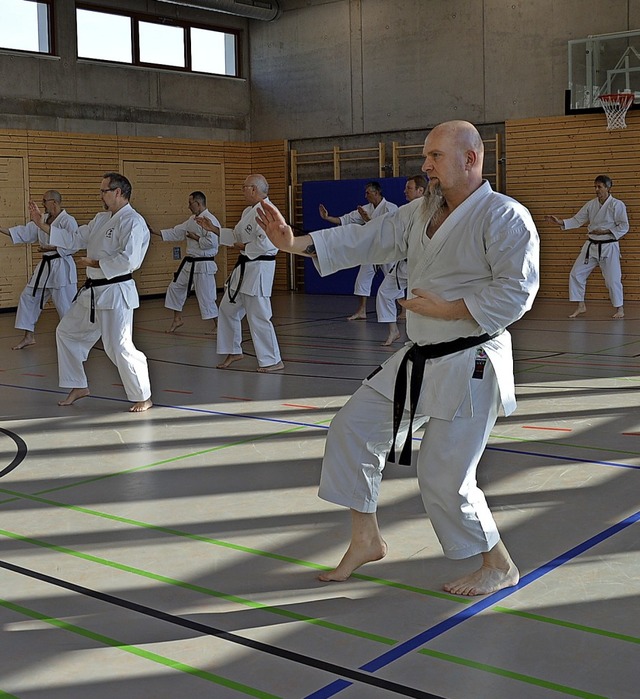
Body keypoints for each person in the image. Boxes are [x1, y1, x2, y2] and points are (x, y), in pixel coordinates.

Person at [257, 120, 539, 596]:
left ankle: (499, 564)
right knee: (352, 430)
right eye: (425, 156)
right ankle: (366, 538)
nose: (425, 165)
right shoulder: (420, 212)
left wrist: (448, 309)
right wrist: (292, 244)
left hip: (471, 362)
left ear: (471, 159)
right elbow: (366, 239)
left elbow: (516, 292)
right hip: (420, 356)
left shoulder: (504, 216)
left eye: (435, 156)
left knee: (444, 475)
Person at [30, 172, 153, 412]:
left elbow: (130, 260)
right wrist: (40, 224)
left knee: (119, 346)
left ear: (117, 192)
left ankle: (143, 396)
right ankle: (78, 385)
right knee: (66, 332)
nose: (100, 195)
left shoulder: (133, 222)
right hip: (93, 293)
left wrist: (96, 264)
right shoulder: (101, 218)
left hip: (116, 291)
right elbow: (75, 238)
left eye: (103, 191)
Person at [196, 174, 284, 372]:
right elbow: (236, 236)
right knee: (227, 309)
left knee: (259, 315)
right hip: (244, 268)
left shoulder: (270, 212)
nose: (242, 190)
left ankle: (272, 360)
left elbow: (269, 243)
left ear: (254, 189)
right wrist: (215, 230)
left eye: (244, 187)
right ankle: (234, 350)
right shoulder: (248, 211)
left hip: (258, 268)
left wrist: (242, 246)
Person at [0, 190, 78, 350]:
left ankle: (74, 340)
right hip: (44, 268)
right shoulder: (41, 219)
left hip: (61, 268)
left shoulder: (68, 221)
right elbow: (24, 232)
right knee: (28, 298)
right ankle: (28, 337)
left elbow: (73, 244)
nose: (42, 204)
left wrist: (53, 247)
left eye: (44, 201)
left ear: (54, 202)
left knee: (66, 306)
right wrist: (1, 229)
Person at [545, 175, 628, 319]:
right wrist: (560, 222)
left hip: (609, 246)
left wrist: (606, 231)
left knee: (612, 279)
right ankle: (581, 305)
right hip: (591, 246)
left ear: (608, 188)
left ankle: (619, 308)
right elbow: (578, 220)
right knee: (576, 274)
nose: (596, 189)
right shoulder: (591, 204)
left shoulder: (617, 205)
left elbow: (624, 225)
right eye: (595, 186)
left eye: (599, 187)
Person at [319, 181, 398, 320]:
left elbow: (388, 228)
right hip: (371, 250)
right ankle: (362, 311)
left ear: (377, 192)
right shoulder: (365, 208)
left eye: (368, 192)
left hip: (387, 249)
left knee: (395, 279)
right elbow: (346, 219)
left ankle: (403, 310)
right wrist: (327, 217)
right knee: (362, 280)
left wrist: (368, 219)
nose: (365, 195)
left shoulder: (391, 208)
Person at [151, 191, 220, 333]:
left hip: (204, 265)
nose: (188, 206)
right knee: (175, 288)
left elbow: (212, 243)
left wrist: (196, 238)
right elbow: (178, 231)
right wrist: (155, 232)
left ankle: (219, 325)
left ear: (198, 203)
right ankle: (177, 319)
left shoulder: (210, 220)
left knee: (206, 296)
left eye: (190, 203)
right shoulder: (192, 220)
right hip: (189, 263)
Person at [376, 175, 428, 345]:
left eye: (409, 188)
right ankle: (394, 331)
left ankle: (423, 338)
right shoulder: (405, 210)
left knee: (421, 302)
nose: (405, 191)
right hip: (404, 265)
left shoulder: (432, 210)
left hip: (423, 267)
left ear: (421, 190)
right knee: (384, 292)